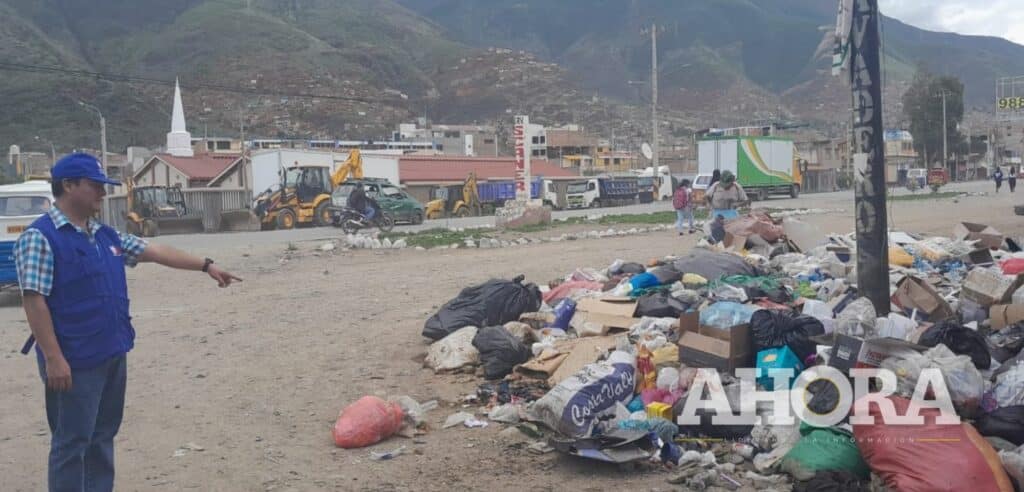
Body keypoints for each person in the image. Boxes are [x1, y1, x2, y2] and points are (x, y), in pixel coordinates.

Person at [14, 153, 241, 492]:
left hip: (111, 352)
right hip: (73, 360)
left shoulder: (105, 235)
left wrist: (206, 265)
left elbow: (156, 251)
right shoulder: (40, 237)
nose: (103, 194)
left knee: (103, 437)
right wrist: (53, 357)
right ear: (68, 185)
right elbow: (34, 300)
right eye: (95, 186)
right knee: (72, 443)